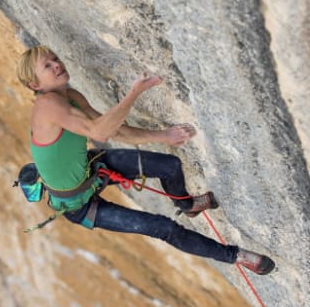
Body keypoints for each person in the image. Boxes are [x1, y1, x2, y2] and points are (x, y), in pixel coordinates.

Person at [17, 45, 275, 275]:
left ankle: (187, 205)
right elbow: (100, 132)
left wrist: (164, 136)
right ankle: (237, 256)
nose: (57, 65)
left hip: (92, 169)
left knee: (170, 167)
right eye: (47, 66)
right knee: (164, 228)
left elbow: (114, 129)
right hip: (78, 206)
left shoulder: (72, 97)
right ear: (35, 85)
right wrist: (133, 94)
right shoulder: (47, 106)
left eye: (55, 59)